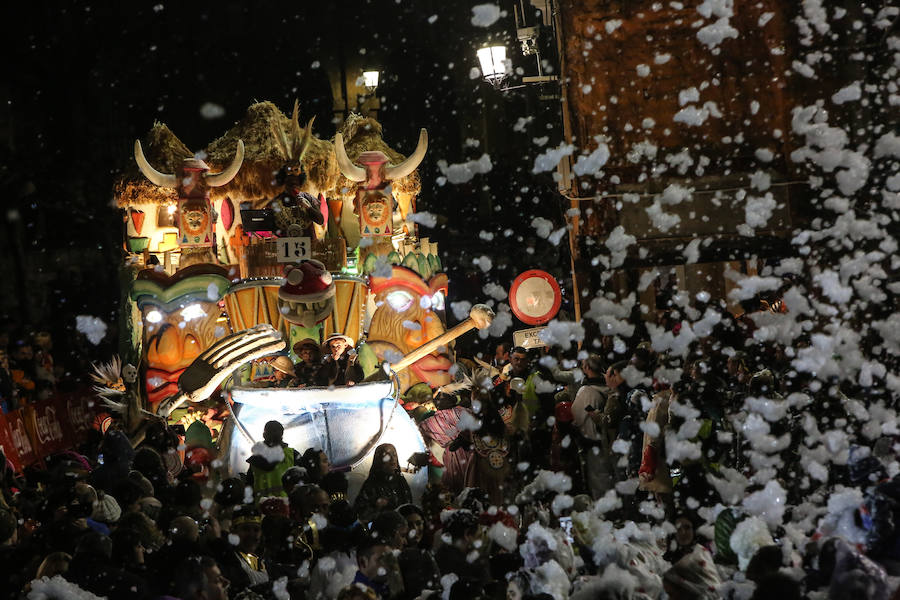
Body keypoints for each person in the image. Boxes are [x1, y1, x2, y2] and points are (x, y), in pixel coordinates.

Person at [571, 355, 617, 499]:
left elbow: (576, 416)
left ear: (586, 368)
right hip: (611, 440)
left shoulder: (585, 391)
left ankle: (606, 513)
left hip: (593, 441)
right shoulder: (611, 388)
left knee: (599, 480)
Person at [354, 443, 413, 523]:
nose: (393, 459)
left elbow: (409, 508)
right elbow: (360, 513)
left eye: (394, 455)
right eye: (387, 456)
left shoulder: (401, 481)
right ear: (379, 460)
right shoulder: (371, 484)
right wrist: (376, 505)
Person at [246, 420, 301, 499]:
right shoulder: (292, 454)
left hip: (262, 506)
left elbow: (249, 485)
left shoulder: (255, 459)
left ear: (264, 435)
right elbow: (301, 483)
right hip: (287, 506)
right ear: (282, 434)